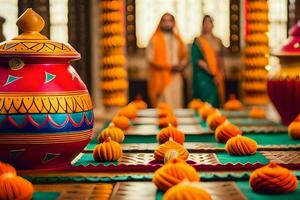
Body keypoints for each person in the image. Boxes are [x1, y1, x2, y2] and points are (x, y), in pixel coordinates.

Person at [146, 13, 187, 108]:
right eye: (164, 21)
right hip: (161, 78)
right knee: (163, 107)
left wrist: (182, 65)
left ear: (173, 23)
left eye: (170, 21)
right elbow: (150, 59)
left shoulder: (178, 39)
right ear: (160, 23)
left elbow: (184, 56)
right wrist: (169, 67)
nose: (167, 23)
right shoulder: (154, 39)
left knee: (176, 104)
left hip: (176, 77)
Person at [191, 15, 225, 108]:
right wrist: (212, 73)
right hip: (203, 77)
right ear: (202, 25)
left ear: (212, 25)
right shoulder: (198, 41)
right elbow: (197, 60)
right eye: (205, 22)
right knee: (203, 103)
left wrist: (220, 74)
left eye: (209, 22)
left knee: (215, 102)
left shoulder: (218, 40)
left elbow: (220, 58)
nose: (207, 25)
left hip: (216, 76)